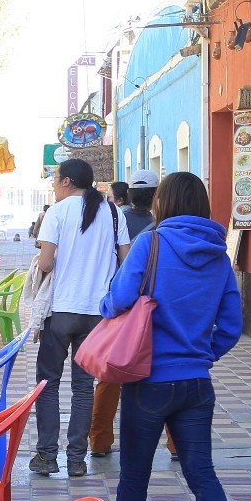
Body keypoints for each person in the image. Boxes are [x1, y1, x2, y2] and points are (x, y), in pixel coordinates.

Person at [96, 171, 245, 501]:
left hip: (148, 382)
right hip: (196, 383)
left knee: (135, 476)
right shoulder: (218, 255)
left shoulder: (152, 243)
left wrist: (105, 305)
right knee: (203, 476)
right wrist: (202, 356)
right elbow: (231, 325)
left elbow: (120, 298)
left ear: (162, 203)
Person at [30, 158, 130, 477]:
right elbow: (126, 262)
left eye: (55, 179)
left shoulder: (57, 212)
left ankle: (47, 455)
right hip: (97, 315)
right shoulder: (113, 212)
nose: (53, 185)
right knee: (84, 387)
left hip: (61, 311)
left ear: (67, 182)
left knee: (48, 383)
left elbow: (45, 263)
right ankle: (76, 459)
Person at [89, 169, 162, 456]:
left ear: (129, 194)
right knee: (160, 370)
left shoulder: (115, 218)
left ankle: (99, 440)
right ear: (156, 195)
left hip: (120, 303)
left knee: (110, 373)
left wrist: (107, 305)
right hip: (152, 305)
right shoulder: (160, 226)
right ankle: (175, 444)